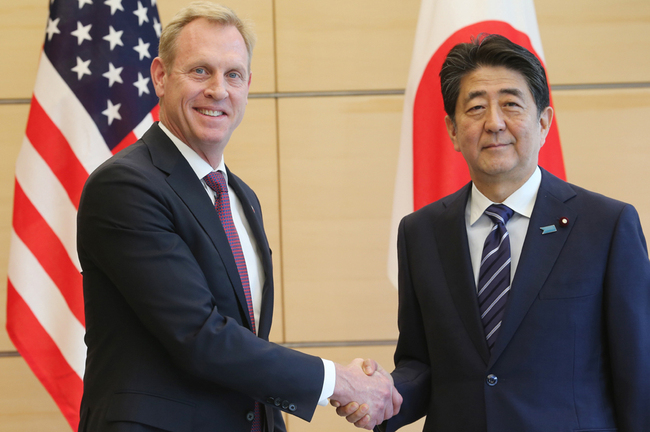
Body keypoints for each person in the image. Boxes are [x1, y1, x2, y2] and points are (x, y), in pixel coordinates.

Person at [76, 2, 400, 431]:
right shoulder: (125, 187)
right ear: (160, 76)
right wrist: (338, 381)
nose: (218, 90)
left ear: (248, 85)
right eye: (199, 71)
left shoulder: (240, 196)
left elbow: (245, 347)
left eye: (233, 74)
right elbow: (200, 336)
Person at [339, 34, 650, 431]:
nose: (494, 123)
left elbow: (637, 371)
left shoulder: (606, 225)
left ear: (543, 123)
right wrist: (380, 396)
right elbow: (423, 362)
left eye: (511, 105)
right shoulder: (421, 232)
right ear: (452, 129)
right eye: (476, 108)